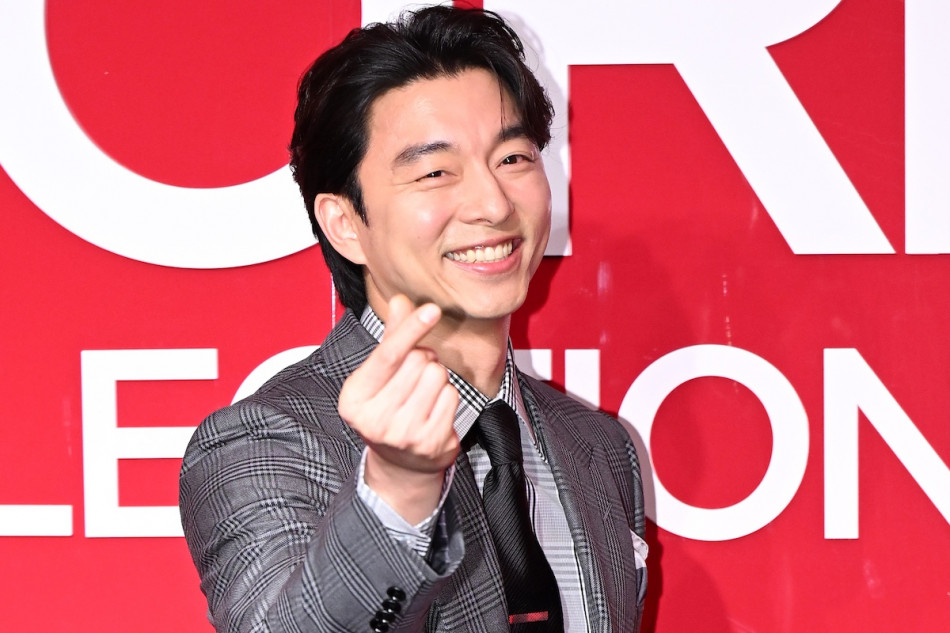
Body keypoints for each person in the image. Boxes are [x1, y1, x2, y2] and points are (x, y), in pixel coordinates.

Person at [179, 6, 647, 632]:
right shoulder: (265, 441)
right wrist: (398, 490)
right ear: (346, 223)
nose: (492, 204)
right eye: (435, 172)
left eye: (513, 158)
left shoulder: (596, 447)